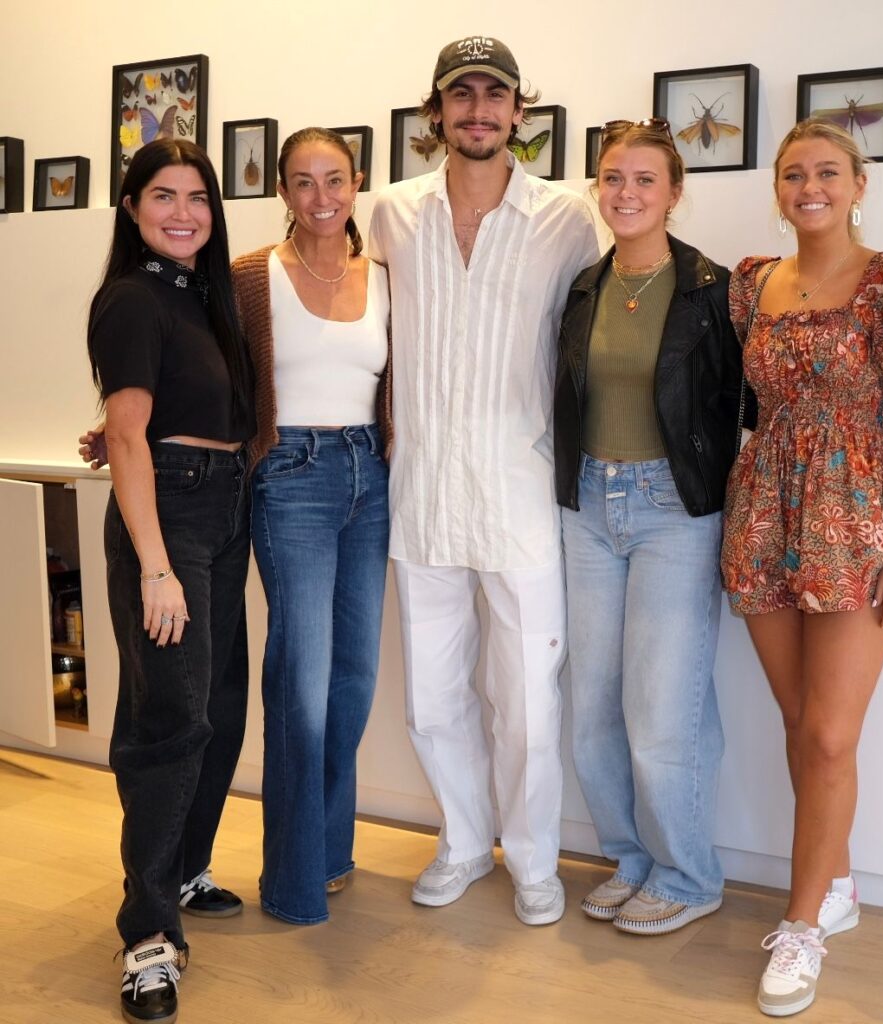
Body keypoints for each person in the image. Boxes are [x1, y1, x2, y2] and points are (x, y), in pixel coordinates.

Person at [720, 120, 883, 1016]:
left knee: (830, 735)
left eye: (828, 171)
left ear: (859, 183)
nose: (810, 186)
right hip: (764, 509)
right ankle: (839, 882)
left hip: (857, 520)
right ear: (778, 189)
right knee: (798, 721)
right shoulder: (754, 286)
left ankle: (801, 928)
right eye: (794, 173)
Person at [367, 35, 598, 926]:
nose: (477, 110)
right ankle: (464, 841)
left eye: (493, 96)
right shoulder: (388, 212)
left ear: (518, 113)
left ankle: (534, 857)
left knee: (530, 704)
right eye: (459, 95)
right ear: (436, 113)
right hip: (421, 492)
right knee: (433, 696)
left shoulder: (569, 218)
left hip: (522, 496)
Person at [553, 119, 745, 935]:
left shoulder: (714, 289)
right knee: (593, 706)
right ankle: (631, 861)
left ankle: (688, 873)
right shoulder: (584, 288)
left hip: (673, 509)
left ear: (673, 192)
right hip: (590, 503)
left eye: (642, 180)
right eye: (611, 178)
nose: (624, 193)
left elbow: (748, 404)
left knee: (663, 709)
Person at [86, 138, 254, 1024]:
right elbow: (127, 439)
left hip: (228, 504)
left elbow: (168, 413)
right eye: (163, 195)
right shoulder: (130, 299)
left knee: (218, 706)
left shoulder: (203, 297)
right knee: (168, 720)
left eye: (199, 197)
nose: (184, 212)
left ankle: (185, 865)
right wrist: (155, 566)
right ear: (130, 206)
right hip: (173, 523)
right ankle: (148, 936)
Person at [231, 127, 391, 925]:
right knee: (301, 678)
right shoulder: (251, 277)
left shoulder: (387, 276)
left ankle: (329, 848)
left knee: (354, 677)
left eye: (335, 180)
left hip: (373, 476)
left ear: (357, 183)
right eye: (303, 182)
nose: (321, 198)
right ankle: (291, 880)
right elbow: (207, 374)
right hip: (291, 477)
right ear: (283, 192)